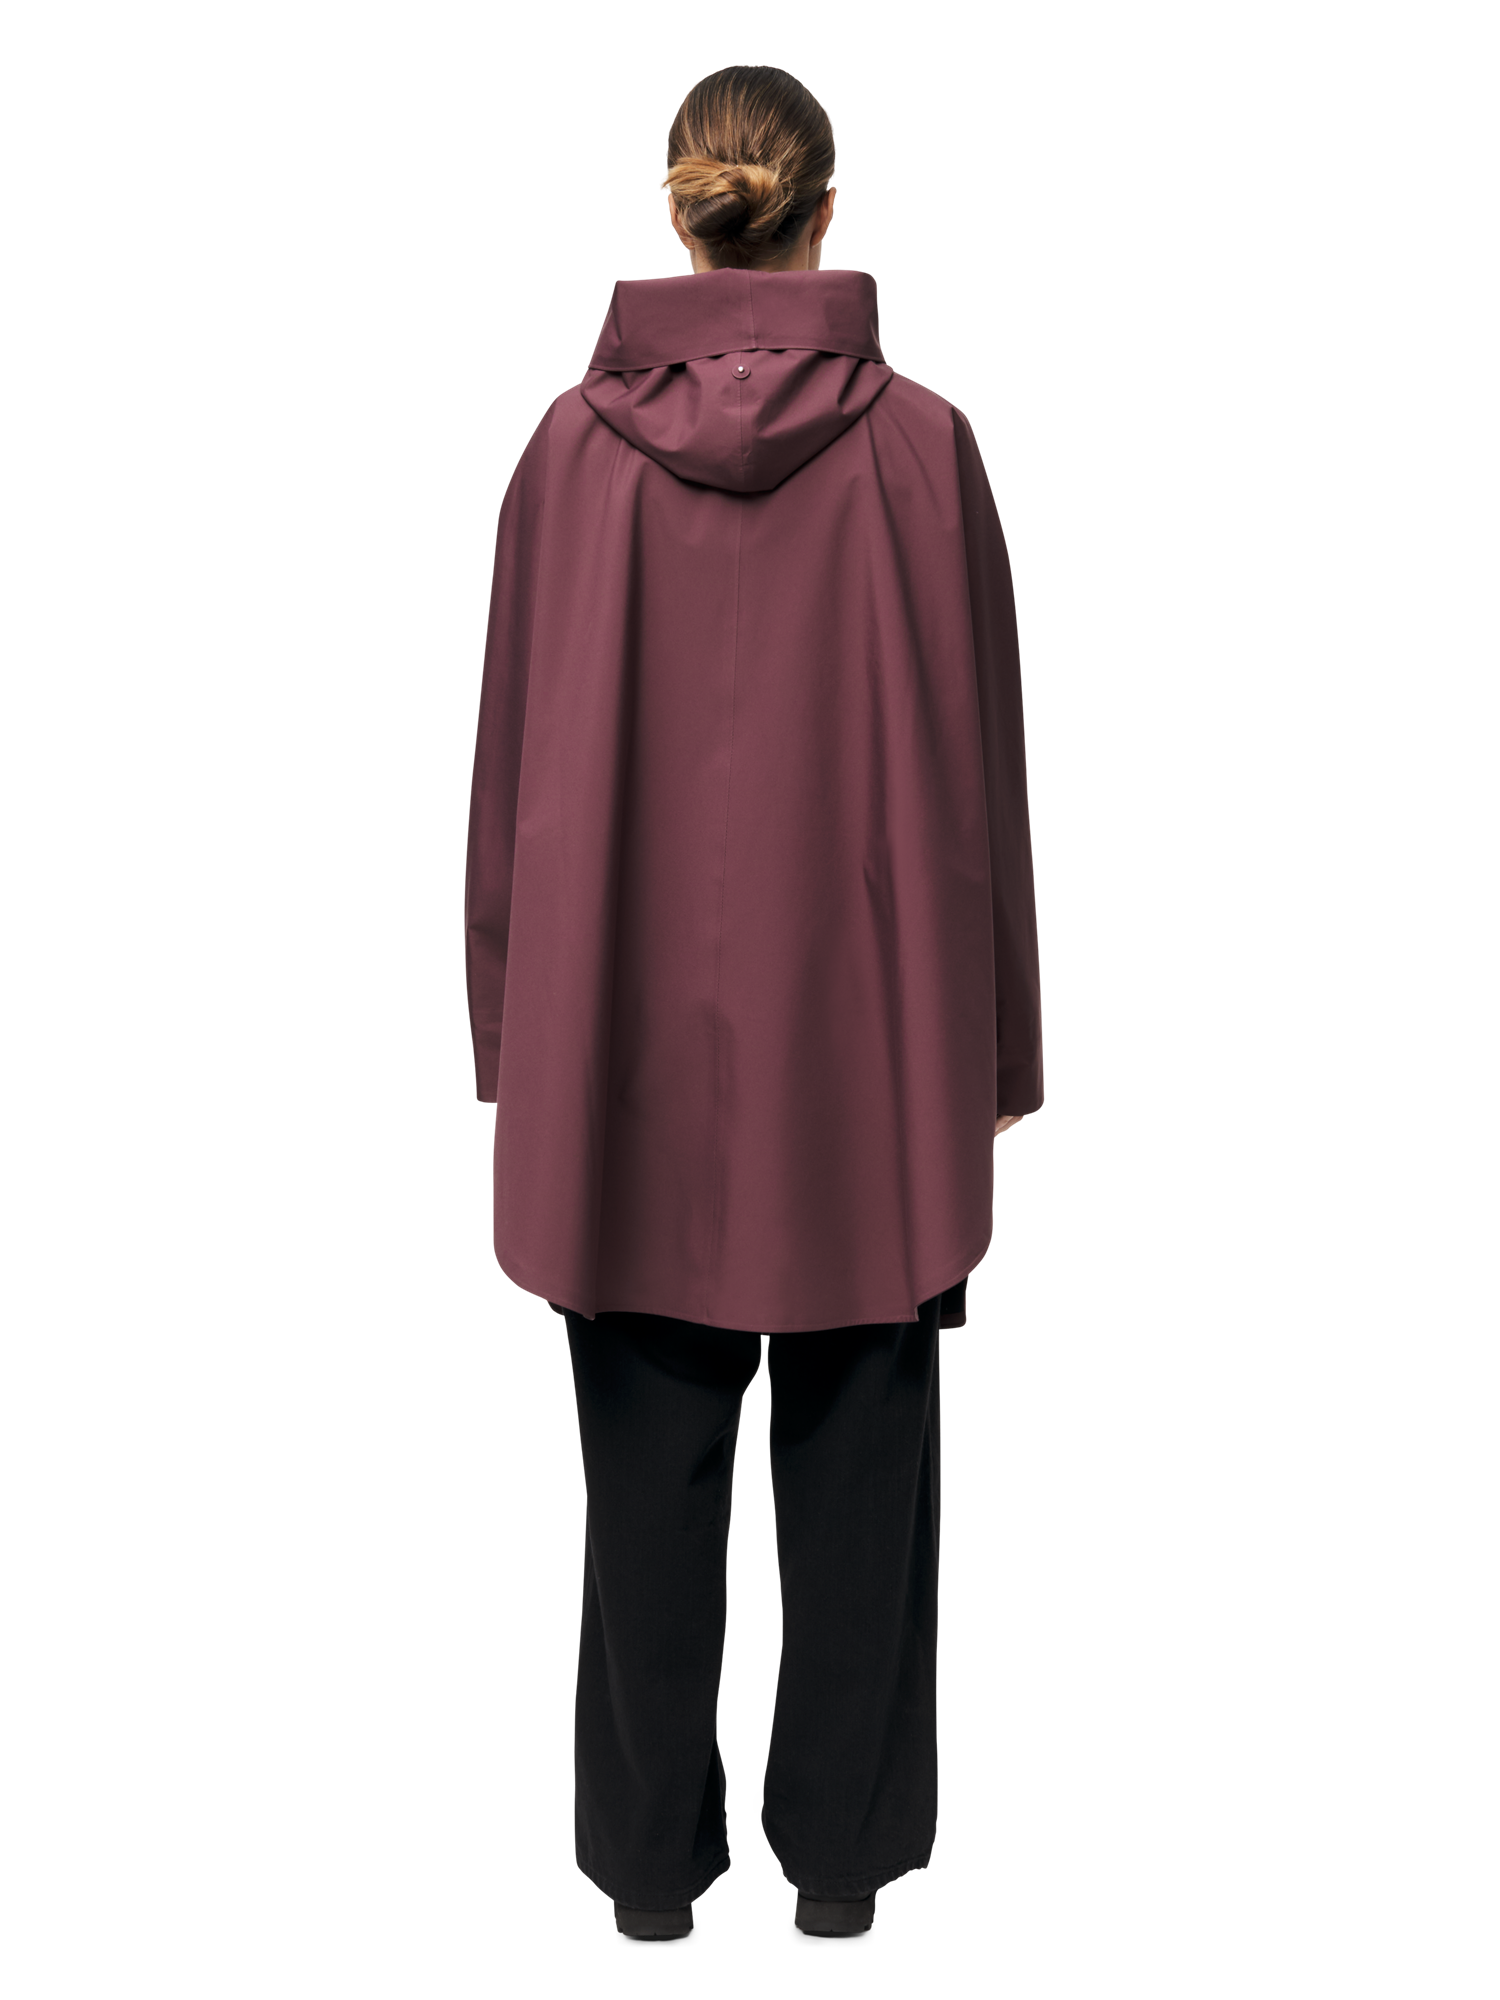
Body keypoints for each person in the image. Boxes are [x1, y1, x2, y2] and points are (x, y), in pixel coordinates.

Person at [464, 63, 1042, 1935]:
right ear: (826, 208)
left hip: (616, 1063)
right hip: (871, 1066)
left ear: (680, 206)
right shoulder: (929, 447)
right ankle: (845, 1882)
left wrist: (508, 1036)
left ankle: (645, 1881)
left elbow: (510, 775)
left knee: (636, 1510)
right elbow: (984, 786)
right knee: (871, 1505)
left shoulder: (564, 452)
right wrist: (1001, 1052)